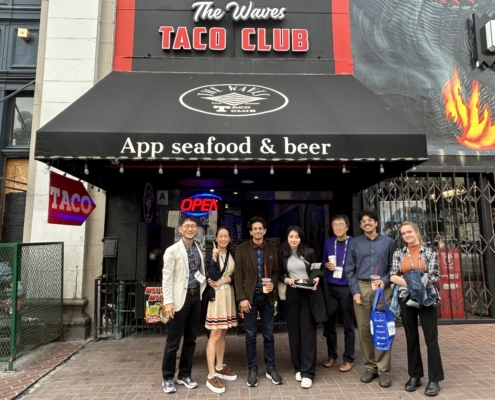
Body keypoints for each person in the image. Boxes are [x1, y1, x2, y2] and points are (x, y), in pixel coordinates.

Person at [390, 221, 444, 397]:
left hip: (427, 298)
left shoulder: (429, 252)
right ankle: (414, 376)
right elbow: (393, 276)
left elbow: (434, 276)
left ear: (417, 232)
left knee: (431, 339)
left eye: (409, 232)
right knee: (411, 337)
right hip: (406, 298)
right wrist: (415, 283)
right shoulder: (399, 253)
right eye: (403, 233)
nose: (406, 235)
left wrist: (410, 281)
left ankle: (434, 379)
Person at [345, 210, 396, 388]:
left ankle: (384, 370)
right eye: (363, 221)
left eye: (370, 220)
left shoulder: (388, 242)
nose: (366, 223)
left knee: (382, 328)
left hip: (382, 288)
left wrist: (384, 280)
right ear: (360, 225)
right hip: (362, 287)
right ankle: (370, 367)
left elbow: (394, 267)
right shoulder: (355, 243)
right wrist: (354, 291)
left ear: (376, 223)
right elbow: (349, 269)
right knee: (364, 330)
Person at [234, 216, 283, 387]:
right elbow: (238, 275)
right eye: (254, 228)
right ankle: (252, 369)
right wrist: (242, 298)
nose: (257, 231)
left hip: (267, 297)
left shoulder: (272, 248)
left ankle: (271, 367)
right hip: (250, 297)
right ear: (250, 232)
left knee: (269, 335)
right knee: (250, 335)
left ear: (265, 231)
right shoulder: (241, 249)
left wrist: (273, 284)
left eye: (260, 228)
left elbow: (276, 272)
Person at [161, 216, 206, 394]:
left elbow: (199, 272)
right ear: (180, 229)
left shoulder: (198, 248)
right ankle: (167, 377)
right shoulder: (172, 251)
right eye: (186, 226)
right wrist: (168, 302)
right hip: (180, 299)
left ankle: (184, 374)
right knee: (173, 342)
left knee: (191, 340)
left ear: (197, 229)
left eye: (193, 226)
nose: (190, 229)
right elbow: (167, 277)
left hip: (195, 298)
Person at [278, 226, 320, 389]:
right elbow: (279, 274)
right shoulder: (282, 254)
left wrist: (315, 279)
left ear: (301, 238)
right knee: (294, 332)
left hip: (308, 293)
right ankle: (298, 367)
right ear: (287, 238)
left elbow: (316, 270)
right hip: (292, 293)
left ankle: (308, 372)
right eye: (291, 236)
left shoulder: (309, 252)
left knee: (308, 332)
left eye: (297, 236)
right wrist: (286, 280)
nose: (294, 239)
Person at [204, 227, 238, 394]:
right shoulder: (210, 255)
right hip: (216, 298)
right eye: (220, 236)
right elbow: (212, 276)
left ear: (230, 238)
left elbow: (236, 276)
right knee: (215, 334)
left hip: (228, 296)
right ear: (216, 238)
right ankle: (211, 374)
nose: (223, 239)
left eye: (226, 236)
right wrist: (214, 257)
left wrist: (223, 281)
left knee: (223, 333)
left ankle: (219, 366)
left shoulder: (233, 255)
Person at [321, 214, 355, 372]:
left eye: (341, 224)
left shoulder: (354, 243)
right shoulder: (329, 242)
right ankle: (332, 355)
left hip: (346, 287)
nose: (338, 227)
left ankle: (348, 358)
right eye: (335, 225)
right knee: (330, 323)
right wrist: (326, 265)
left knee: (348, 323)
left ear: (347, 227)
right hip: (330, 286)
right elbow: (323, 260)